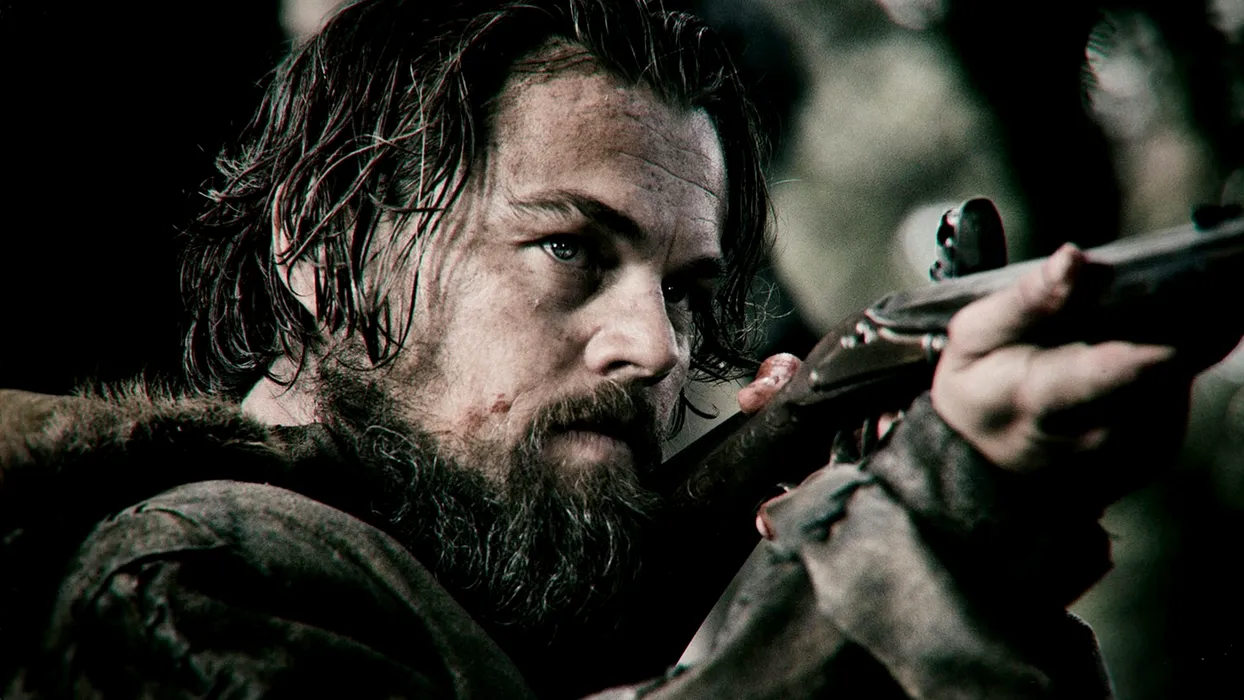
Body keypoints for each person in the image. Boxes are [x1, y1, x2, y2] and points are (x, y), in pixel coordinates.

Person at [0, 0, 1232, 697]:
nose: (654, 346)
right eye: (567, 249)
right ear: (322, 251)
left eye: (686, 291)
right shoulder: (206, 574)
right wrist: (928, 521)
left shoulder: (530, 585)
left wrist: (813, 551)